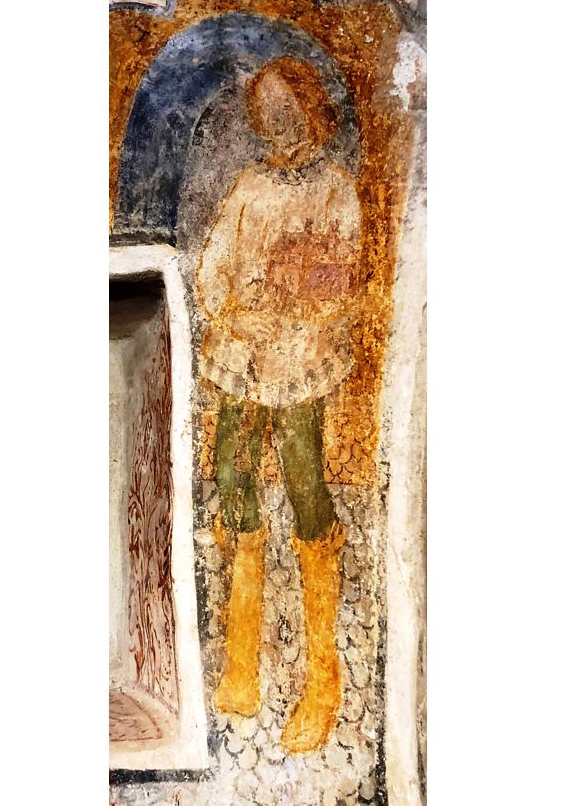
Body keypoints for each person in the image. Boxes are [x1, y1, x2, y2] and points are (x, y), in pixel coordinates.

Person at [194, 56, 361, 753]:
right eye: (266, 111)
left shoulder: (334, 188)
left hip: (297, 361)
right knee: (233, 480)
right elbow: (212, 270)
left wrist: (297, 307)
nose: (277, 120)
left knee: (304, 488)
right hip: (241, 355)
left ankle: (322, 684)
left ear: (308, 106)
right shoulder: (248, 186)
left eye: (286, 106)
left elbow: (343, 277)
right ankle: (241, 667)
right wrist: (235, 312)